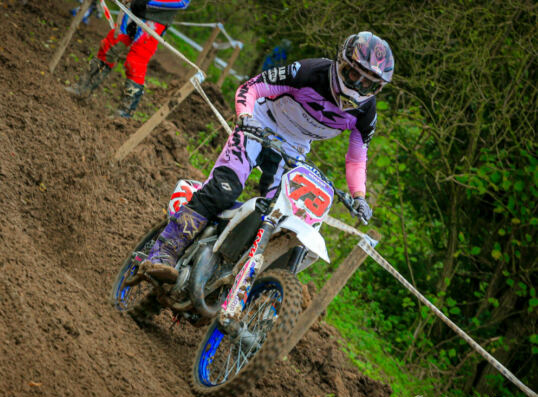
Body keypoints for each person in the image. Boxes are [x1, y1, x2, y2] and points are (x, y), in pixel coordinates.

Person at [140, 31, 394, 283]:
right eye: (354, 74)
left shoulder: (366, 112)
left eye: (368, 83)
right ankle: (163, 253)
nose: (358, 86)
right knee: (224, 189)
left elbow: (356, 159)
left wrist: (359, 196)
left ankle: (227, 273)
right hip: (259, 125)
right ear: (342, 64)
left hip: (294, 149)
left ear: (378, 87)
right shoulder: (310, 72)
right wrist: (245, 116)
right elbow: (251, 87)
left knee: (281, 218)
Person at [65, 0, 191, 118]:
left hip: (157, 18)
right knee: (109, 46)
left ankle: (125, 112)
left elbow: (183, 2)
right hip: (133, 9)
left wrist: (147, 2)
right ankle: (83, 87)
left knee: (135, 62)